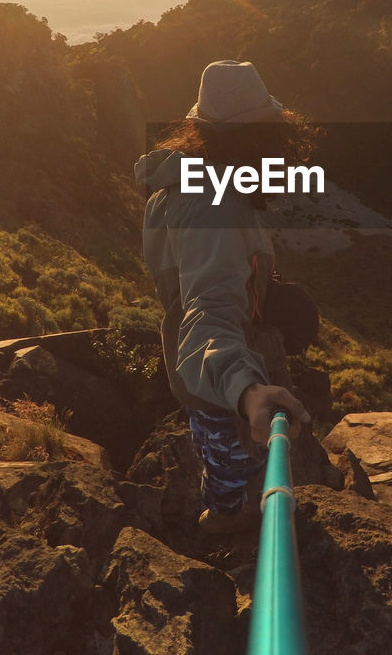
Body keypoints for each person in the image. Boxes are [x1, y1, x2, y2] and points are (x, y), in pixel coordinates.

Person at [134, 60, 313, 535]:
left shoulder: (182, 185)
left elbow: (196, 282)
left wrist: (261, 289)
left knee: (221, 457)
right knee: (239, 468)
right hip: (223, 375)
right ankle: (227, 531)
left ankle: (225, 514)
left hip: (204, 373)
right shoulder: (212, 202)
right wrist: (247, 390)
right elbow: (207, 310)